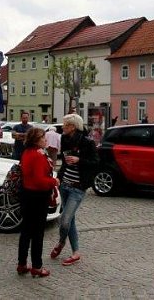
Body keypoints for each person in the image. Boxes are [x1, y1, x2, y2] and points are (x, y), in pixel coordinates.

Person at [50, 113, 98, 268]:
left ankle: (61, 242)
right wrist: (59, 178)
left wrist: (79, 160)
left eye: (65, 125)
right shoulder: (64, 139)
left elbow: (96, 162)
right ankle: (76, 252)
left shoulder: (87, 142)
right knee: (70, 220)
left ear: (73, 127)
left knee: (64, 221)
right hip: (65, 185)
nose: (63, 127)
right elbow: (64, 162)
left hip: (78, 188)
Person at [16, 127, 59, 278]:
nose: (45, 139)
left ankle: (21, 264)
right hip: (38, 197)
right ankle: (37, 266)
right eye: (43, 137)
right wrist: (54, 181)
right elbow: (40, 180)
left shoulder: (27, 152)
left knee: (26, 232)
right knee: (37, 233)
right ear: (36, 140)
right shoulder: (38, 155)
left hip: (27, 195)